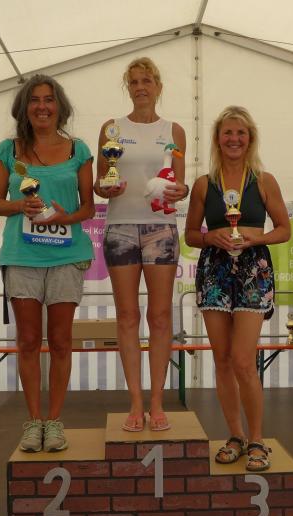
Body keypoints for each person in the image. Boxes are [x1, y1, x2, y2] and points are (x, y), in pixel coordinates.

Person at [0, 74, 95, 452]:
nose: (42, 107)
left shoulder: (79, 150)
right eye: (34, 100)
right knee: (29, 341)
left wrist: (65, 217)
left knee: (62, 341)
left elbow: (88, 207)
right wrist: (22, 205)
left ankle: (55, 422)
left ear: (59, 106)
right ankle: (34, 422)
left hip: (67, 256)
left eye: (49, 99)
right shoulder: (8, 149)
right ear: (24, 108)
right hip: (22, 256)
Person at [184, 106, 290, 471]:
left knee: (244, 361)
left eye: (240, 133)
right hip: (214, 271)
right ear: (217, 139)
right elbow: (190, 234)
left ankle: (257, 439)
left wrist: (255, 237)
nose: (233, 139)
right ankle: (235, 436)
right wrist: (209, 237)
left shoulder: (264, 180)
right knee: (223, 360)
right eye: (227, 133)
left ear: (250, 139)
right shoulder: (203, 184)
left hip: (253, 270)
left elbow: (284, 229)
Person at [94, 57, 188, 432]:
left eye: (147, 81)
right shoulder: (112, 128)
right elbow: (100, 181)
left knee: (160, 317)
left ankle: (157, 402)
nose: (140, 87)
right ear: (127, 87)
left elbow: (179, 184)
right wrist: (105, 188)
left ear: (158, 86)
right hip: (119, 227)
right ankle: (135, 402)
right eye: (133, 82)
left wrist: (179, 191)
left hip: (160, 228)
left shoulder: (173, 130)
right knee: (128, 317)